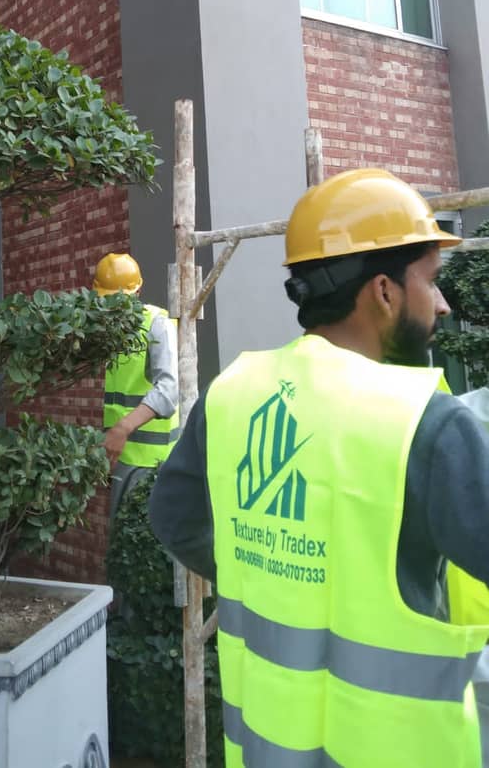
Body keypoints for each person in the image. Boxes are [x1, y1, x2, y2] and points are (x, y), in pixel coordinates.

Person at [149, 168, 489, 767]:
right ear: (383, 291)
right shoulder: (426, 423)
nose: (441, 302)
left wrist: (278, 575)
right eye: (431, 282)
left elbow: (174, 517)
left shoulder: (234, 391)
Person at [93, 252, 179, 523]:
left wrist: (122, 429)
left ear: (138, 291)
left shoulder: (157, 324)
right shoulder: (113, 331)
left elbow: (168, 390)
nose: (113, 307)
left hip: (153, 462)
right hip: (121, 458)